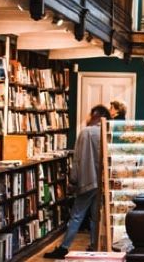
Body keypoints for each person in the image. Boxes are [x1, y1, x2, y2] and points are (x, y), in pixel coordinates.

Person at [44, 105, 111, 258]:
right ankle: (94, 247)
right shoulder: (106, 132)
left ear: (95, 115)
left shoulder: (86, 133)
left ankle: (64, 247)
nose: (87, 118)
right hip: (102, 183)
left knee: (77, 214)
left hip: (87, 181)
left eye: (89, 114)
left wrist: (73, 181)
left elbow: (78, 159)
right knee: (96, 217)